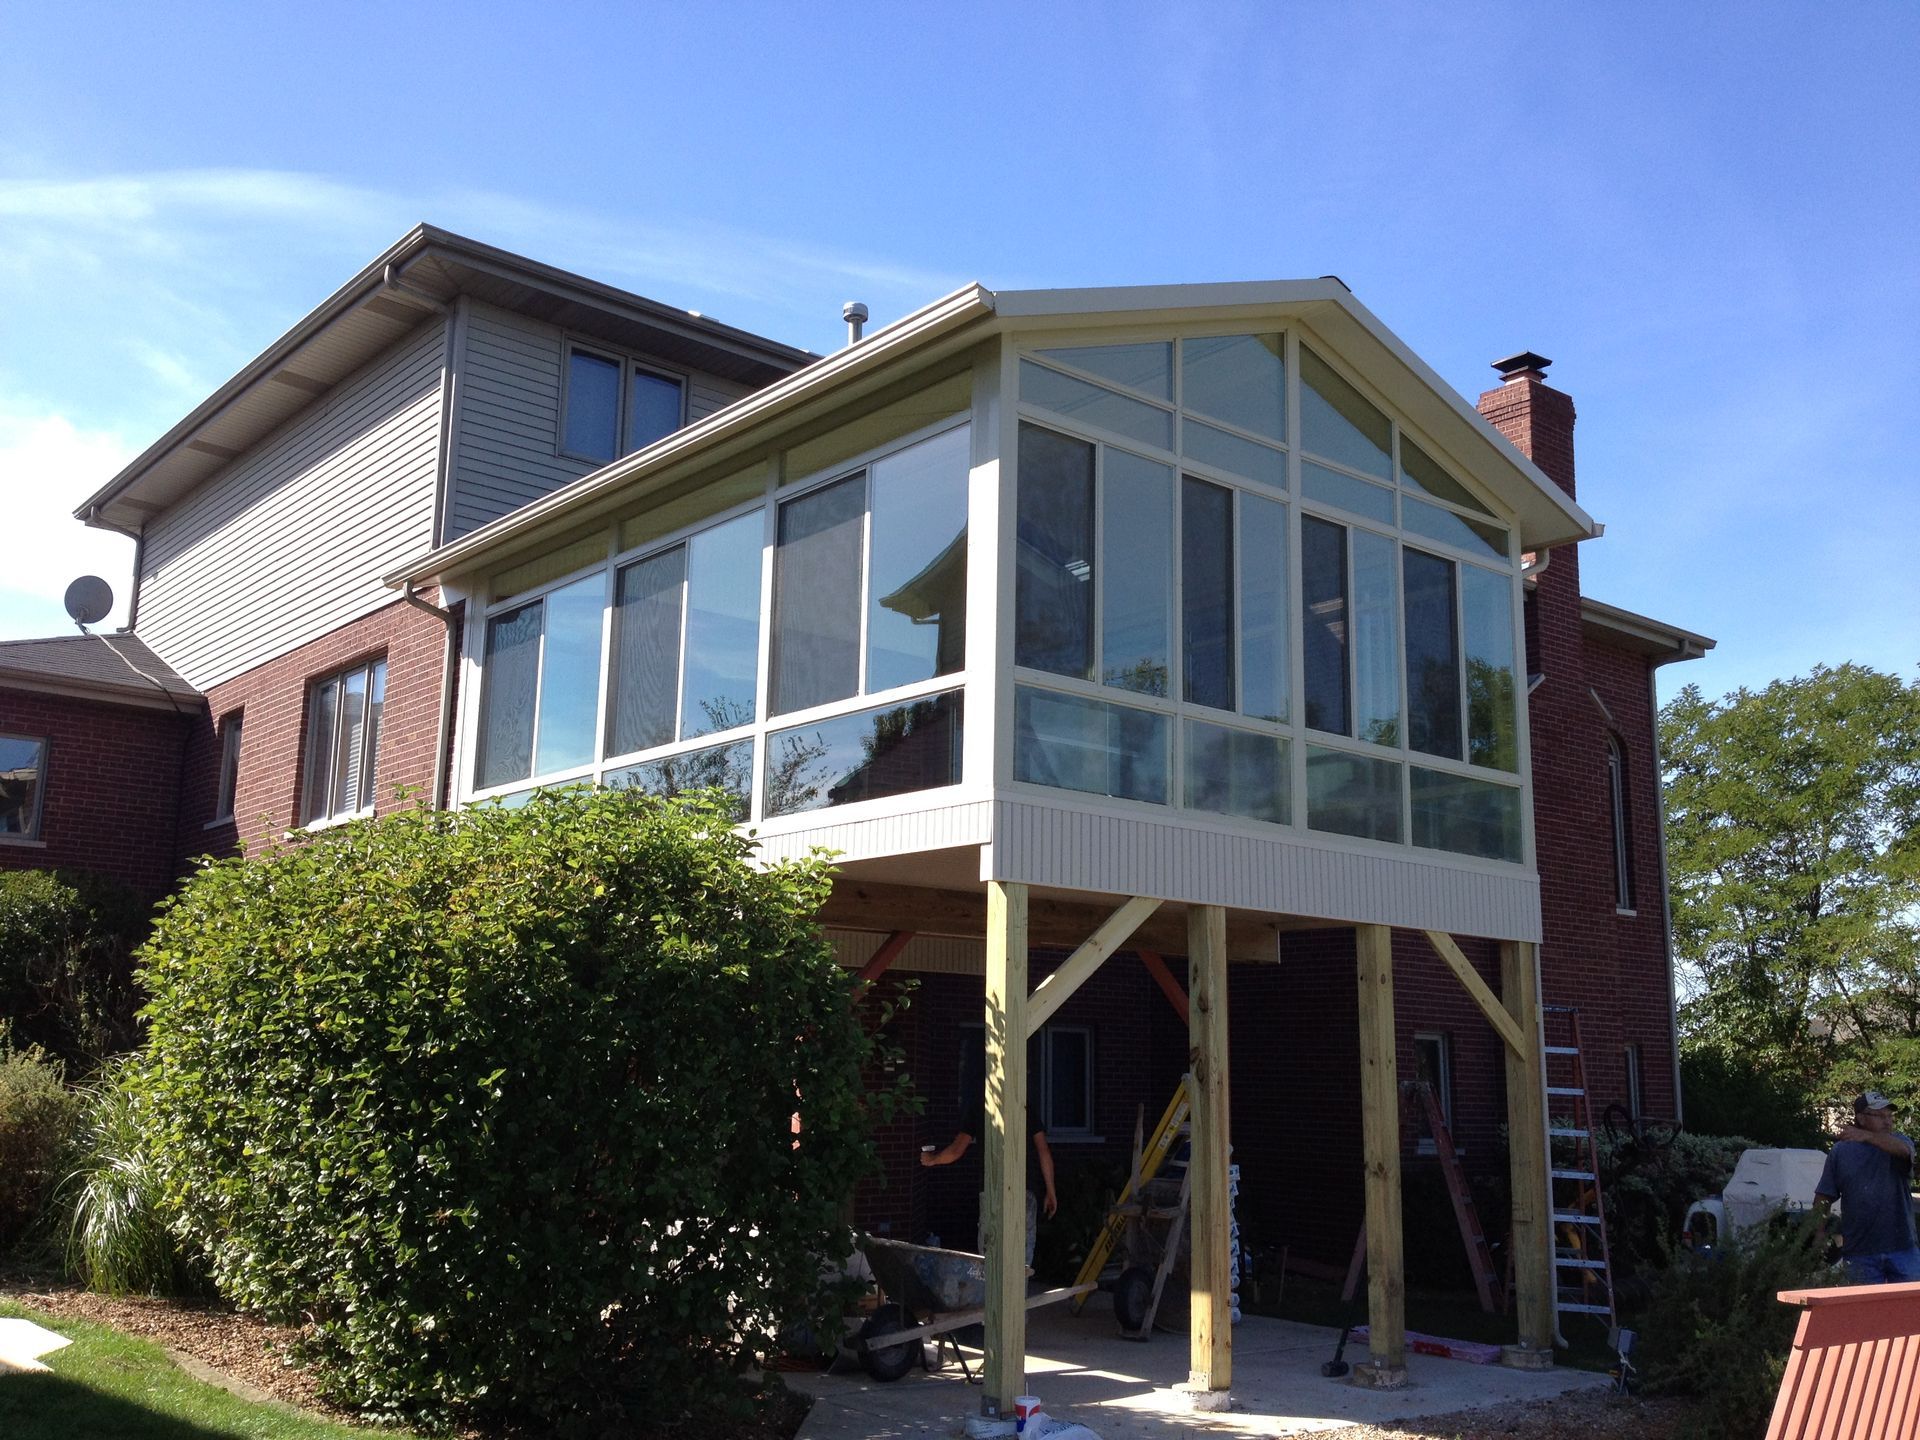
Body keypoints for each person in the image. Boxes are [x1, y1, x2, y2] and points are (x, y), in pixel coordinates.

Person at [921, 1091, 1057, 1268]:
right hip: (1024, 1190)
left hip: (993, 1190)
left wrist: (932, 1160)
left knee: (990, 1256)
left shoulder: (980, 1106)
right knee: (1021, 1260)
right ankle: (1017, 1294)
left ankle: (994, 1293)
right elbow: (1043, 1150)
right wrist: (1050, 1189)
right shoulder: (1023, 1106)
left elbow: (957, 1150)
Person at [1813, 1090, 1920, 1284]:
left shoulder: (1900, 1142)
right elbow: (1823, 1196)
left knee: (1910, 1309)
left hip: (1903, 1248)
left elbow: (1905, 1152)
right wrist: (1819, 1232)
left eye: (1889, 1115)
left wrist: (1866, 1136)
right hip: (1859, 1252)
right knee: (1865, 1311)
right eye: (1879, 1116)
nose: (1887, 1121)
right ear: (1861, 1118)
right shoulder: (1840, 1152)